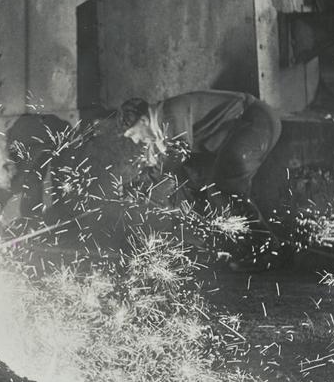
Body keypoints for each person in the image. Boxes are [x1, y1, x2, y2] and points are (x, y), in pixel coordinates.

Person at [119, 90, 283, 262]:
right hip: (238, 132)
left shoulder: (167, 113)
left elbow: (177, 152)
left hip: (256, 121)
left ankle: (267, 251)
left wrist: (145, 182)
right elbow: (164, 166)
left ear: (144, 121)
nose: (136, 141)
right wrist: (140, 184)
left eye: (133, 134)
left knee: (223, 187)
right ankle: (227, 245)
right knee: (193, 184)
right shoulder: (158, 136)